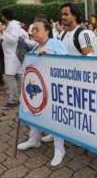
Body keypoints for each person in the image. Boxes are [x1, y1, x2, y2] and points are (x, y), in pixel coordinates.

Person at [17, 17, 68, 167]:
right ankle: (34, 140)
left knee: (55, 117)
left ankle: (59, 149)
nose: (33, 32)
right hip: (39, 88)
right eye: (32, 29)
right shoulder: (34, 48)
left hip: (54, 90)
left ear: (47, 31)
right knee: (34, 111)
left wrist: (51, 53)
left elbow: (68, 62)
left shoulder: (55, 44)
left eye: (37, 29)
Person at [0, 9, 30, 109]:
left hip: (13, 55)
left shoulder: (13, 25)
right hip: (12, 55)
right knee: (17, 76)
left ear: (4, 16)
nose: (1, 17)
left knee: (9, 76)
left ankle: (13, 100)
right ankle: (24, 97)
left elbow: (13, 39)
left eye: (2, 16)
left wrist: (3, 32)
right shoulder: (13, 24)